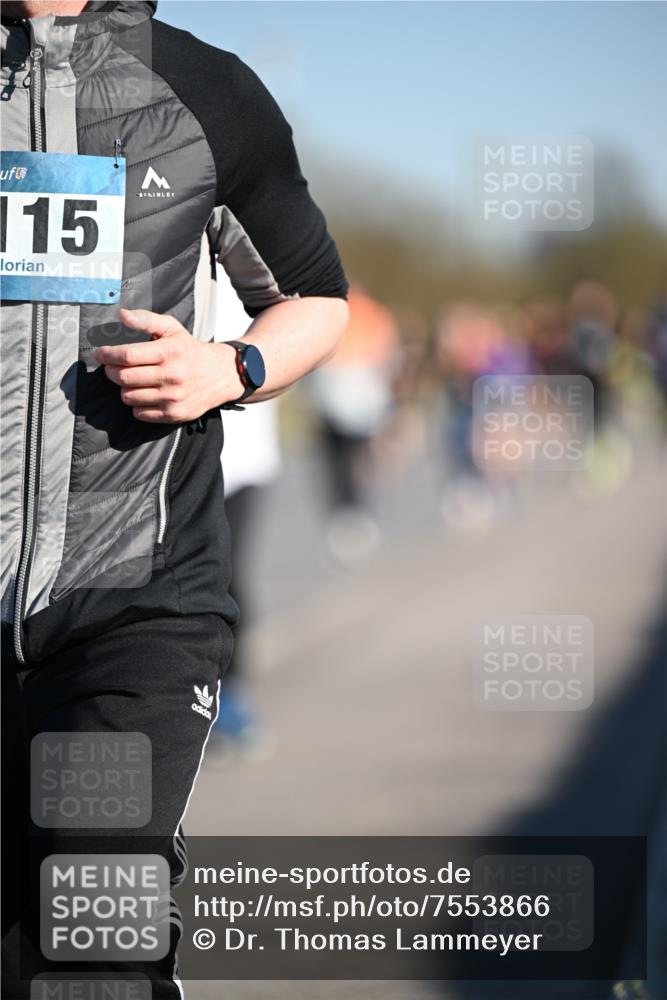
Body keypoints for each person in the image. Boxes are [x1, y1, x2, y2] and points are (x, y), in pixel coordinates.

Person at [0, 2, 348, 997]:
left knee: (91, 943)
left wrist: (227, 367)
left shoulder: (203, 87)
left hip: (133, 605)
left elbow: (316, 300)